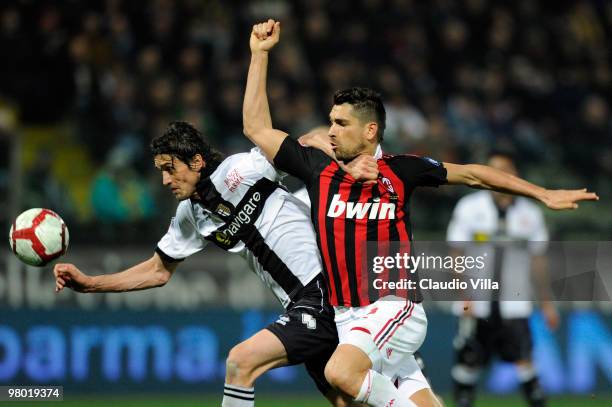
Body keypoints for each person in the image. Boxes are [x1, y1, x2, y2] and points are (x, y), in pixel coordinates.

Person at [242, 19, 598, 407]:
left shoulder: (402, 170)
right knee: (358, 400)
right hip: (347, 316)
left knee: (339, 375)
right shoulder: (317, 168)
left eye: (341, 123)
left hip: (394, 305)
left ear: (370, 131)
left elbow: (474, 175)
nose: (330, 130)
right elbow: (257, 128)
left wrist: (542, 194)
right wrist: (259, 55)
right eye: (331, 121)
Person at [53, 121, 373, 407]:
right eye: (160, 171)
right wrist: (91, 283)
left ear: (196, 161)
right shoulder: (191, 215)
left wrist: (336, 154)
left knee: (240, 362)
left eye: (169, 168)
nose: (165, 180)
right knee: (347, 401)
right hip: (299, 305)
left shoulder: (243, 169)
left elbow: (299, 144)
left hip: (322, 293)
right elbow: (158, 270)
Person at [446, 150, 559, 407]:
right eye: (493, 169)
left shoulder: (531, 214)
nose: (498, 176)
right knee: (468, 364)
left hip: (514, 303)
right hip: (476, 302)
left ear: (514, 174)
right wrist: (463, 294)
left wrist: (547, 302)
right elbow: (456, 253)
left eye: (504, 169)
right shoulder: (469, 207)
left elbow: (538, 261)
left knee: (526, 365)